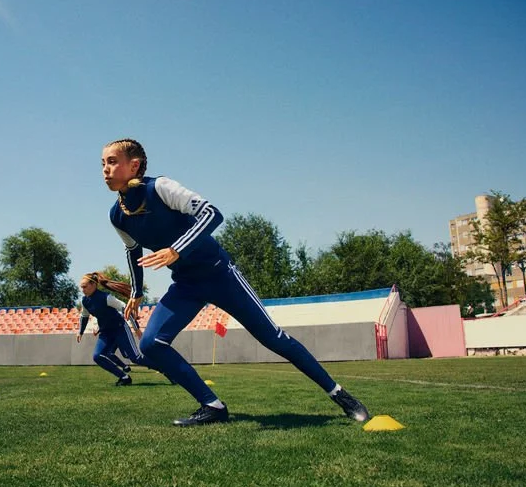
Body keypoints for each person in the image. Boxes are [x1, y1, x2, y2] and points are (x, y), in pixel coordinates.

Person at [102, 138, 370, 426]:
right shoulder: (117, 215)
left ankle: (340, 394)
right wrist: (137, 292)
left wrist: (176, 249)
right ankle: (212, 406)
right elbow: (132, 251)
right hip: (186, 284)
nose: (105, 169)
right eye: (103, 163)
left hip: (220, 274)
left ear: (135, 165)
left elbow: (211, 214)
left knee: (273, 338)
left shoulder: (161, 188)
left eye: (112, 161)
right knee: (152, 344)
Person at [77, 272, 166, 386]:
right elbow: (84, 316)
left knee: (136, 358)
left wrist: (136, 329)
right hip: (105, 332)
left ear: (93, 285)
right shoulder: (85, 301)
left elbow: (125, 309)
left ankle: (167, 370)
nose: (82, 290)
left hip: (120, 329)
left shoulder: (106, 298)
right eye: (81, 287)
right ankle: (124, 377)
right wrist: (80, 332)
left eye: (85, 286)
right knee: (97, 356)